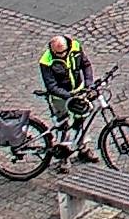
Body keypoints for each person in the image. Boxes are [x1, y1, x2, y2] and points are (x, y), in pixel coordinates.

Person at [39, 34, 96, 162]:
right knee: (62, 126)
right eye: (58, 53)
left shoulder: (75, 47)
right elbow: (51, 86)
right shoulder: (46, 61)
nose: (62, 55)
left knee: (80, 121)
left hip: (77, 90)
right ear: (52, 49)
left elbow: (86, 65)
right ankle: (63, 158)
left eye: (63, 52)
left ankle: (83, 149)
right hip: (60, 98)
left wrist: (88, 83)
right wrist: (69, 96)